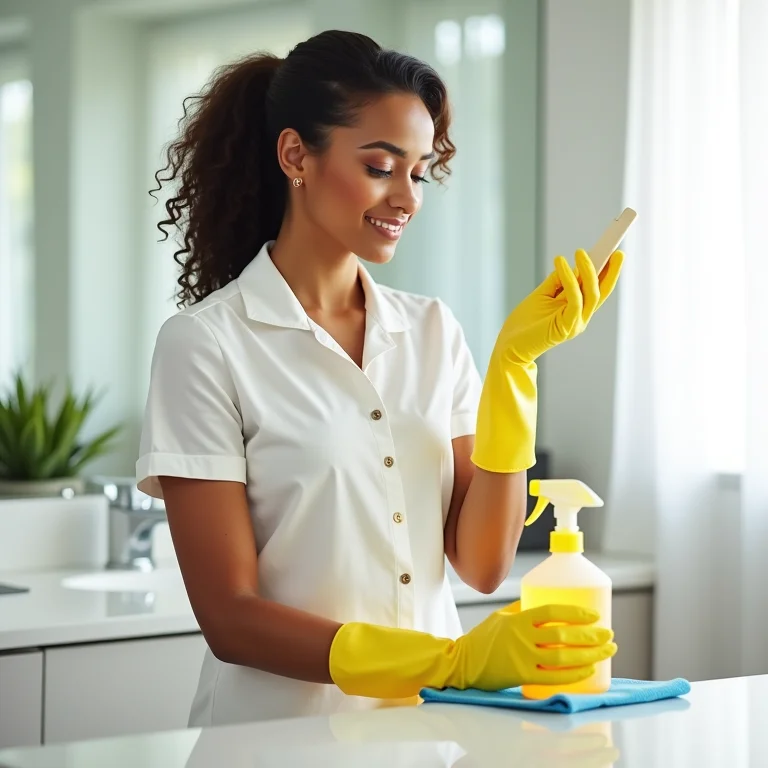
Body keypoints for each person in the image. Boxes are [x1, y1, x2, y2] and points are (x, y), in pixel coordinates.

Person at [137, 29, 620, 727]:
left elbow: (481, 563)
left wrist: (515, 369)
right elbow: (230, 618)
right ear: (296, 155)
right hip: (276, 739)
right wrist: (447, 663)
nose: (407, 197)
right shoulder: (206, 344)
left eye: (419, 171)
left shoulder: (431, 331)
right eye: (380, 166)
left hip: (428, 732)